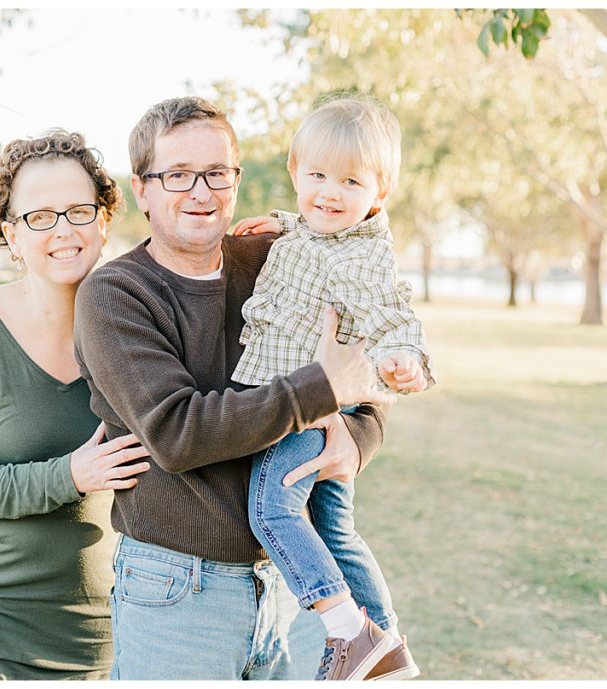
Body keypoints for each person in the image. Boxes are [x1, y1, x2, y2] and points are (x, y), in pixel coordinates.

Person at [73, 96, 394, 681]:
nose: (201, 191)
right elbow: (177, 432)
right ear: (142, 190)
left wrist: (357, 434)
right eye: (177, 174)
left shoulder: (278, 258)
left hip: (288, 584)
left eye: (217, 172)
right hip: (176, 592)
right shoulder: (116, 295)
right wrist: (318, 391)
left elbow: (361, 366)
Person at [0, 130, 150, 680]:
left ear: (104, 220)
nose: (63, 229)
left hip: (104, 639)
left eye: (77, 210)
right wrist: (69, 474)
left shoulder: (136, 324)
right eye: (39, 216)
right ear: (12, 235)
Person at [230, 95, 434, 680]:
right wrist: (284, 222)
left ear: (380, 193)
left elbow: (393, 315)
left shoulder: (369, 259)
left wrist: (404, 359)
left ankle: (348, 630)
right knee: (334, 528)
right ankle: (384, 646)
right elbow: (319, 232)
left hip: (309, 414)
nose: (329, 191)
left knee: (271, 509)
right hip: (301, 405)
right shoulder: (318, 230)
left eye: (350, 181)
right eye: (317, 175)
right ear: (295, 171)